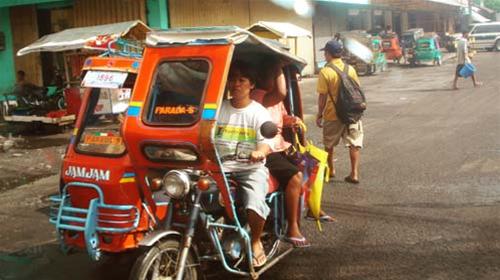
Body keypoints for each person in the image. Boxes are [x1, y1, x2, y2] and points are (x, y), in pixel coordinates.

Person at [215, 61, 273, 268]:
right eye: (232, 79)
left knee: (254, 202)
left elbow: (266, 143)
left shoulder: (258, 112)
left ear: (251, 85)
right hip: (219, 168)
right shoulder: (218, 109)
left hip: (249, 169)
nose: (236, 84)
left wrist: (259, 152)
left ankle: (256, 241)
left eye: (242, 80)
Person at [316, 40, 364, 184]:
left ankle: (331, 170)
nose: (325, 55)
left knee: (329, 144)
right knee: (354, 143)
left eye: (325, 52)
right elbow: (357, 90)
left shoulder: (325, 71)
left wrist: (320, 114)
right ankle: (354, 173)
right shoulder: (351, 69)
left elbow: (322, 96)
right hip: (352, 113)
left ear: (329, 54)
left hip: (333, 114)